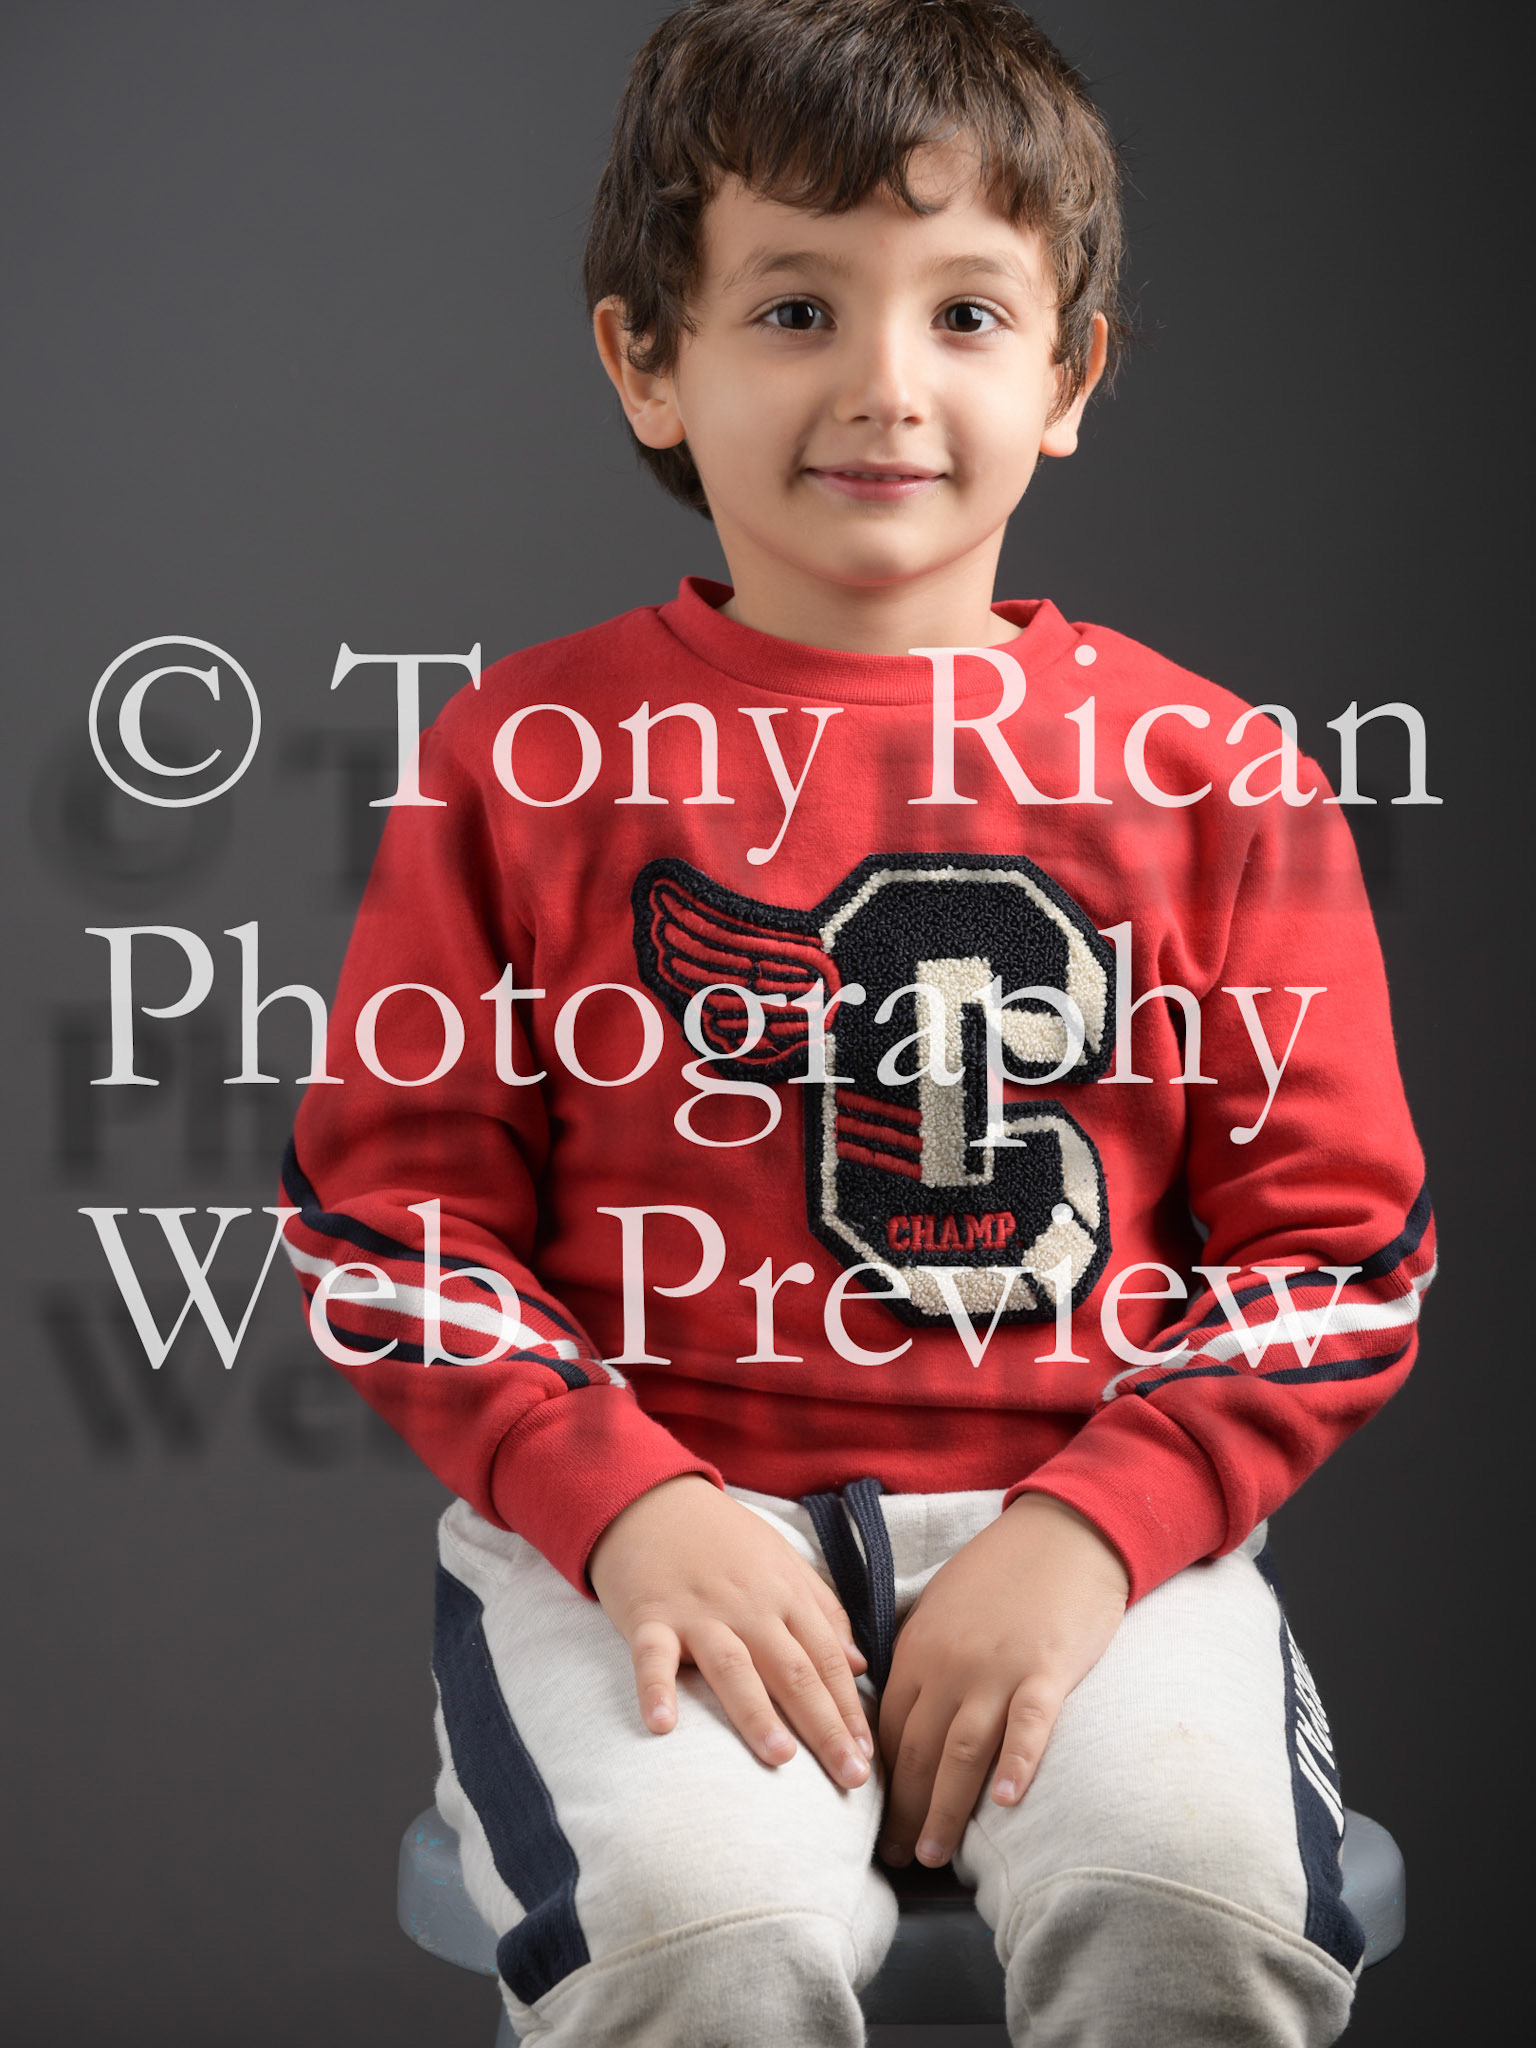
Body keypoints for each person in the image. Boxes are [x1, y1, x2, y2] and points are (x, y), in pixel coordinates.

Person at [281, 3, 1433, 2041]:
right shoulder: (516, 762)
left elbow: (1335, 1256)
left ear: (1068, 375)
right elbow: (392, 1230)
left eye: (966, 314)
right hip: (656, 1536)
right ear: (650, 356)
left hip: (1096, 1527)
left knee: (1193, 1900)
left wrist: (1094, 1532)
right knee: (694, 1935)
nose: (886, 385)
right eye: (797, 307)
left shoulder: (1222, 779)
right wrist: (626, 1506)